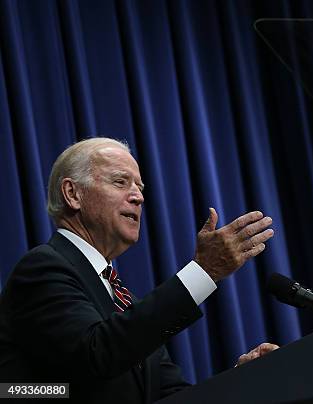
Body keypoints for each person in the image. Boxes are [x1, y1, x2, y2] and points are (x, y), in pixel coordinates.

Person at [0, 138, 277, 403]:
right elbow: (96, 356)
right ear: (73, 194)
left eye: (140, 187)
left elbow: (173, 396)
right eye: (120, 182)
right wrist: (203, 272)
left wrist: (243, 378)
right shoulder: (42, 269)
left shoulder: (122, 300)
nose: (138, 197)